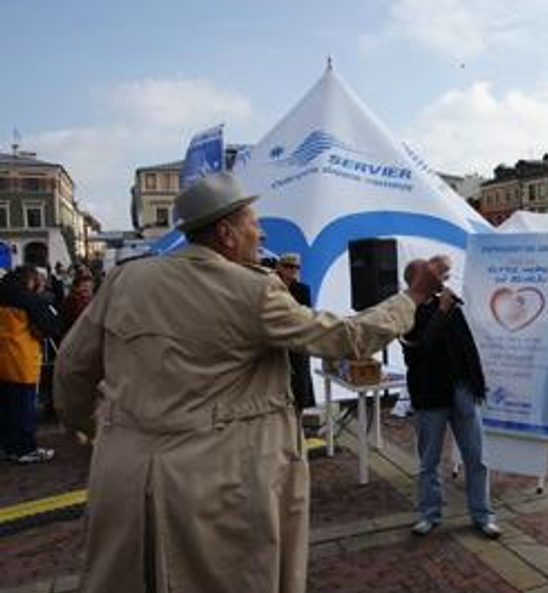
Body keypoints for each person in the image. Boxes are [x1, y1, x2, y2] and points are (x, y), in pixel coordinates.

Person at [53, 172, 443, 593]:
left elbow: (71, 372)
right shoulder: (251, 291)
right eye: (254, 224)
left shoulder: (125, 281)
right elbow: (344, 338)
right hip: (217, 487)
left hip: (123, 481)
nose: (260, 234)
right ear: (226, 234)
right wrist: (413, 298)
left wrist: (111, 434)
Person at [400, 255, 501, 539]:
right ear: (415, 280)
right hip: (430, 395)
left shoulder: (450, 306)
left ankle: (483, 515)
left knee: (477, 457)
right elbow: (420, 350)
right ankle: (429, 514)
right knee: (428, 461)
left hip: (461, 390)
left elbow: (467, 346)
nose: (440, 280)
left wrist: (475, 382)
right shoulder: (405, 310)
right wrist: (442, 311)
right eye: (430, 275)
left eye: (439, 275)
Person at [0, 265, 61, 463]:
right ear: (30, 280)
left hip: (3, 359)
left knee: (7, 408)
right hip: (22, 359)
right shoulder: (28, 299)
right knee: (24, 408)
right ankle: (25, 448)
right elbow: (51, 325)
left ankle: (8, 446)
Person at [274, 252, 315, 413]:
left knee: (300, 379)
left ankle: (300, 415)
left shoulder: (302, 289)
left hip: (298, 339)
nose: (293, 270)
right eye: (289, 266)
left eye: (296, 267)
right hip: (277, 340)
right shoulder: (271, 287)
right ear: (279, 267)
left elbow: (306, 315)